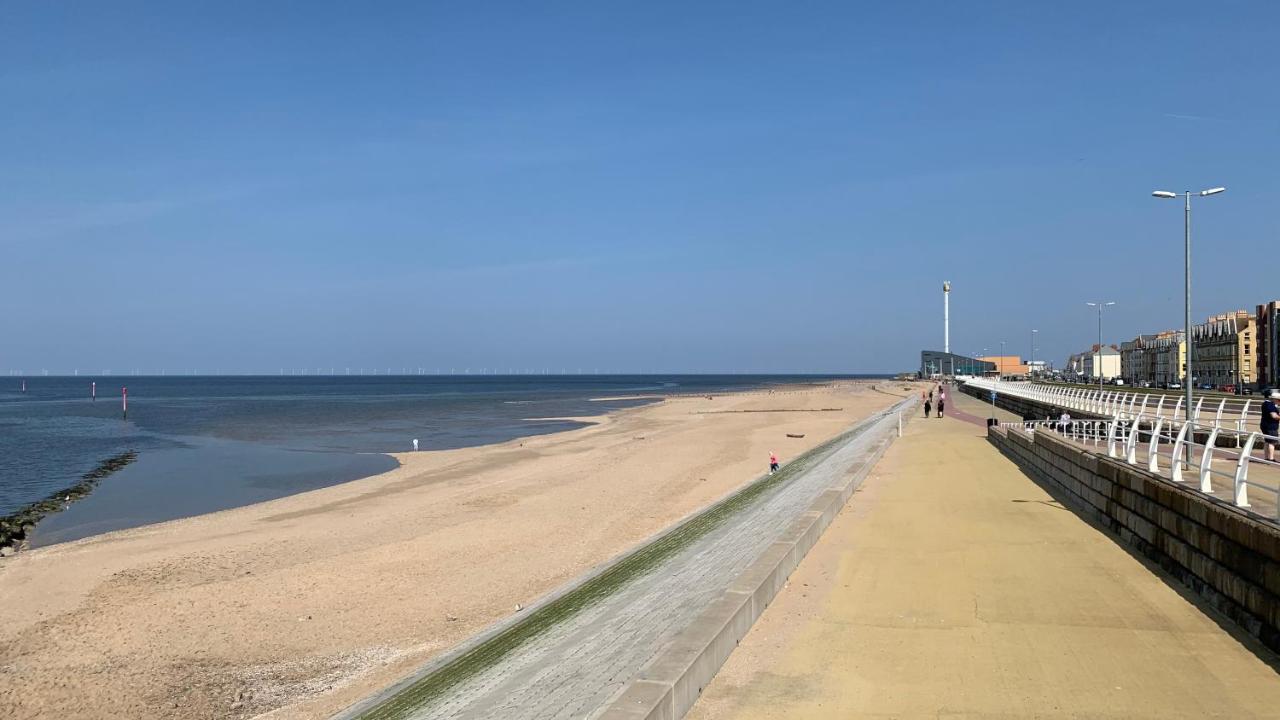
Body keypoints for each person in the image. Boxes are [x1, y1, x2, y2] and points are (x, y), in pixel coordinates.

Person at [1262, 390, 1280, 461]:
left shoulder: (1265, 403)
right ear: (1274, 399)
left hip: (1265, 425)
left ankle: (1266, 457)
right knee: (1272, 442)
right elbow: (1274, 416)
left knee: (1267, 441)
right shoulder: (1271, 405)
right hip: (1271, 426)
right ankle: (1271, 458)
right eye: (1279, 400)